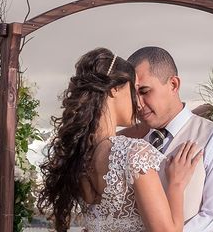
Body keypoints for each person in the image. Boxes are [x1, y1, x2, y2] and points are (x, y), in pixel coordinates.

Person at [38, 47, 203, 232]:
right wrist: (176, 185)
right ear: (114, 90)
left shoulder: (80, 157)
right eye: (134, 90)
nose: (138, 103)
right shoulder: (134, 153)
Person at [124, 46, 213, 232]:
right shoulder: (135, 145)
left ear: (173, 85)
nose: (138, 103)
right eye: (133, 94)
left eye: (145, 91)